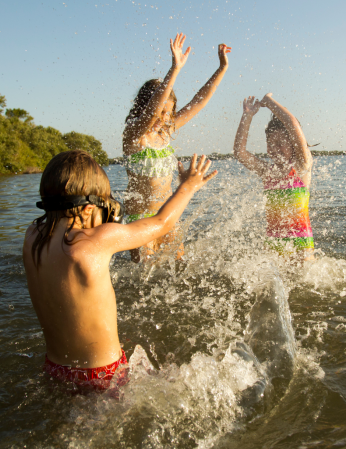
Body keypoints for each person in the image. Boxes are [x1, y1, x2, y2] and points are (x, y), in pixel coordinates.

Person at [22, 150, 217, 392]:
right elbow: (161, 223)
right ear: (86, 209)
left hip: (55, 368)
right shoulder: (93, 241)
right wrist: (188, 185)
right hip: (103, 374)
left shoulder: (32, 237)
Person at [123, 33, 231, 262]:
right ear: (144, 107)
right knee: (145, 275)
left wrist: (221, 69)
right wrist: (174, 70)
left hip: (167, 215)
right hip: (139, 218)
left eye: (168, 112)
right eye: (160, 112)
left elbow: (199, 102)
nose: (163, 118)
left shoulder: (165, 132)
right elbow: (152, 112)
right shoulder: (133, 135)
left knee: (179, 267)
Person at [233, 94, 314, 258]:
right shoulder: (267, 172)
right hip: (273, 243)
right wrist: (247, 116)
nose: (274, 148)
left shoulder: (301, 167)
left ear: (293, 143)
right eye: (270, 143)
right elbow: (240, 153)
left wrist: (269, 102)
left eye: (280, 143)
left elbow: (292, 124)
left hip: (301, 244)